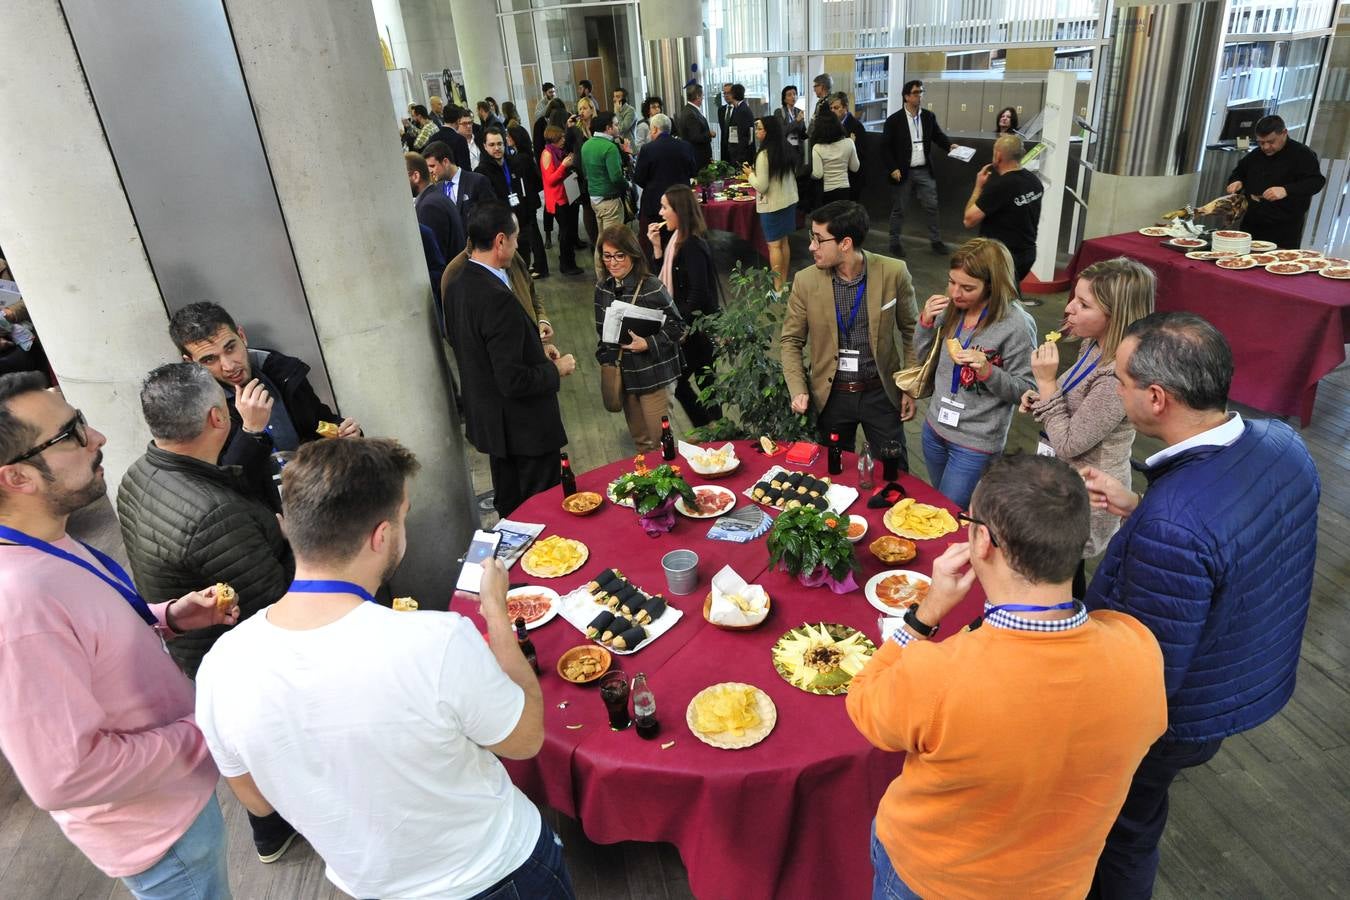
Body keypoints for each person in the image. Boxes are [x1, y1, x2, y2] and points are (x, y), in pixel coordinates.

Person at [194, 438, 575, 899]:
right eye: (403, 514)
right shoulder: (437, 640)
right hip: (497, 873)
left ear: (286, 527)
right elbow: (525, 739)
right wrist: (497, 614)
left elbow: (256, 800)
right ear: (382, 536)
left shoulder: (219, 665)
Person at [847, 454, 1167, 900]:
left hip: (931, 879)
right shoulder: (1141, 651)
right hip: (1058, 884)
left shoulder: (938, 673)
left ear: (981, 541)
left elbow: (863, 703)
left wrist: (924, 616)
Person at [1081, 311, 1320, 899]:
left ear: (1157, 397)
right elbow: (1235, 542)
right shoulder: (1282, 443)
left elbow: (1147, 673)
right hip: (1248, 674)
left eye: (1120, 382)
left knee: (1123, 830)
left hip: (1179, 713)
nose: (1116, 391)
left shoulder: (1176, 523)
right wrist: (1142, 509)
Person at [0, 373, 236, 898]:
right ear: (18, 478)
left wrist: (167, 616)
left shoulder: (43, 543)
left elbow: (84, 634)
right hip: (161, 835)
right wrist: (207, 731)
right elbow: (66, 776)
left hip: (170, 798)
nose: (98, 438)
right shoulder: (18, 605)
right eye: (72, 433)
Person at [118, 363, 295, 678]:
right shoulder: (215, 514)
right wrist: (296, 542)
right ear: (218, 416)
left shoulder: (138, 473)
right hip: (241, 666)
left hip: (192, 652)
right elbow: (277, 608)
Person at [1018, 257, 1155, 597]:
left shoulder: (1115, 377)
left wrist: (1048, 384)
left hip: (1088, 493)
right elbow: (1071, 402)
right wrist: (1042, 396)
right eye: (1073, 298)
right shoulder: (1093, 344)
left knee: (1064, 577)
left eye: (1083, 304)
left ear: (1116, 314)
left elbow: (1067, 443)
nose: (1068, 309)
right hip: (1063, 480)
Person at [444, 203, 574, 517]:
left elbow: (482, 352)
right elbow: (512, 379)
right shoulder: (495, 297)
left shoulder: (458, 284)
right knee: (541, 515)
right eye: (515, 239)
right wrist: (554, 370)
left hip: (495, 427)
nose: (518, 245)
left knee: (511, 509)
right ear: (500, 241)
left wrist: (534, 350)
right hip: (524, 430)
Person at [170, 302, 361, 509]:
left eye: (230, 348)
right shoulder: (196, 411)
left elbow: (318, 422)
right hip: (267, 520)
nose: (229, 365)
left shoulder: (283, 372)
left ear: (242, 336)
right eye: (209, 359)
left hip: (320, 495)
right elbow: (221, 487)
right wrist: (250, 431)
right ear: (191, 363)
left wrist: (345, 432)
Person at [781, 200, 918, 467]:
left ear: (845, 243)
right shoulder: (805, 281)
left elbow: (912, 332)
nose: (811, 246)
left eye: (819, 240)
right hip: (831, 396)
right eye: (812, 237)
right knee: (834, 473)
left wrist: (910, 388)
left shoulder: (893, 272)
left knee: (894, 472)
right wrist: (797, 389)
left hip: (880, 393)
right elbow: (790, 340)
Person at [912, 237, 1035, 508]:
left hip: (975, 444)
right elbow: (924, 358)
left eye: (967, 287)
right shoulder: (951, 309)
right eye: (951, 282)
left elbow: (1027, 389)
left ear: (992, 285)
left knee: (949, 514)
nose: (955, 293)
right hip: (934, 429)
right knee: (939, 507)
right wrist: (925, 323)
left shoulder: (1016, 325)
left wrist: (989, 372)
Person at [593, 226, 685, 452]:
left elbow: (679, 326)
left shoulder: (651, 286)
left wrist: (648, 343)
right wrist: (606, 356)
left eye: (619, 256)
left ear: (632, 254)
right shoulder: (602, 288)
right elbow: (601, 333)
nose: (612, 263)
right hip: (626, 378)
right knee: (641, 443)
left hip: (654, 376)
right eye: (607, 256)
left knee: (661, 442)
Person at [648, 184, 722, 427]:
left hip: (696, 329)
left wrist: (681, 327)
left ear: (679, 210)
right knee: (703, 383)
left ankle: (712, 430)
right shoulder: (676, 241)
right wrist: (657, 247)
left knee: (692, 382)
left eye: (665, 207)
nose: (661, 213)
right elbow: (664, 283)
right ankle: (714, 430)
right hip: (691, 327)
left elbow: (699, 292)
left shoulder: (691, 245)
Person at [883, 80, 965, 257]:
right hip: (903, 172)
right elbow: (885, 148)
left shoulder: (928, 116)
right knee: (899, 208)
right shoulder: (894, 120)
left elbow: (937, 135)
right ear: (906, 96)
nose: (919, 95)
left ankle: (936, 241)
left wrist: (949, 146)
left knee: (932, 206)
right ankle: (894, 242)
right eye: (915, 92)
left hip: (924, 170)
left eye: (921, 92)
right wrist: (893, 168)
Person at [1225, 114, 1327, 248]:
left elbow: (1316, 181)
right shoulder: (1256, 155)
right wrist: (1236, 181)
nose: (1266, 147)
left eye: (1271, 142)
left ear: (1284, 133)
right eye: (1261, 142)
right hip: (1252, 221)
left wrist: (1286, 190)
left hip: (1284, 227)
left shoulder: (1302, 154)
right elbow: (1239, 172)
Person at [963, 133, 1043, 284]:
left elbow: (969, 220)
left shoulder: (1000, 186)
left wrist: (978, 186)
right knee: (1010, 295)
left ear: (998, 156)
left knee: (994, 300)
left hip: (1001, 259)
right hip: (1027, 255)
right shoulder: (1034, 181)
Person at [477, 126, 548, 279]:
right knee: (509, 272)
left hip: (523, 221)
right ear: (484, 146)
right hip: (502, 228)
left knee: (523, 266)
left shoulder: (516, 162)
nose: (497, 148)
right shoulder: (482, 172)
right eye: (492, 145)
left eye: (500, 144)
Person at [742, 115, 799, 291]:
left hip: (772, 205)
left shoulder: (763, 155)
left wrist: (749, 174)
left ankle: (778, 288)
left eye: (759, 128)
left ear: (768, 131)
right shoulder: (787, 148)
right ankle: (784, 283)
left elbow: (762, 186)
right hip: (789, 201)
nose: (757, 131)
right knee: (784, 243)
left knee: (774, 246)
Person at [633, 113, 698, 265]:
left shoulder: (648, 149)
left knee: (656, 243)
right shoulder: (685, 146)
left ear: (655, 129)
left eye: (650, 130)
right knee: (681, 242)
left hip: (655, 204)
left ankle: (659, 270)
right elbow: (693, 172)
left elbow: (639, 178)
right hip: (681, 203)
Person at [406, 152, 465, 298]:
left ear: (415, 176)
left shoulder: (429, 206)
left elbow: (437, 259)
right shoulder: (437, 197)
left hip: (450, 291)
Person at [581, 112, 632, 274]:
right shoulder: (609, 148)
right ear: (608, 128)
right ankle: (614, 279)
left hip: (594, 199)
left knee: (601, 240)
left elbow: (585, 172)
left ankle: (601, 276)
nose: (618, 127)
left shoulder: (587, 145)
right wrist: (628, 185)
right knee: (614, 243)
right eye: (616, 124)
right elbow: (616, 177)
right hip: (610, 200)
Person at [539, 124, 585, 276]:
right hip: (558, 200)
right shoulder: (547, 154)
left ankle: (569, 262)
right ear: (553, 139)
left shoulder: (559, 151)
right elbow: (550, 180)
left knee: (570, 231)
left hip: (567, 195)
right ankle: (566, 265)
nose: (564, 140)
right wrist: (564, 166)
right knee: (565, 234)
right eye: (561, 138)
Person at [423, 139, 493, 230]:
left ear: (445, 162)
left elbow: (491, 217)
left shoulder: (478, 181)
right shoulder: (437, 189)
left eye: (432, 166)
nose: (430, 171)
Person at [810, 110, 860, 207]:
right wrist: (852, 144)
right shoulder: (849, 143)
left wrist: (811, 175)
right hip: (845, 189)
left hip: (827, 191)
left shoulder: (817, 148)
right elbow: (855, 168)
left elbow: (818, 174)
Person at [830, 92, 867, 200]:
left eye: (836, 108)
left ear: (845, 107)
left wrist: (849, 146)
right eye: (831, 108)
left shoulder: (856, 126)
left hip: (851, 178)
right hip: (835, 176)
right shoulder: (831, 125)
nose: (832, 111)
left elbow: (861, 153)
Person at [676, 83, 714, 169]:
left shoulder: (689, 110)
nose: (703, 98)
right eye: (702, 95)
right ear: (697, 96)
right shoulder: (691, 113)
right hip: (698, 158)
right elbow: (695, 137)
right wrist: (709, 134)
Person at [776, 84, 808, 170]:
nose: (793, 96)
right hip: (785, 149)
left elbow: (803, 132)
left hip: (798, 149)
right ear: (784, 99)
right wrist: (796, 121)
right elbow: (782, 131)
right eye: (789, 95)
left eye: (794, 94)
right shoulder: (779, 112)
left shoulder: (799, 111)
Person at [724, 84, 755, 167]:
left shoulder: (742, 110)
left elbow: (744, 136)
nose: (727, 95)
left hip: (741, 155)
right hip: (736, 152)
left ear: (733, 94)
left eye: (729, 93)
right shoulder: (738, 108)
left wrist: (738, 156)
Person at [453, 106, 482, 171]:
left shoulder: (479, 138)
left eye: (470, 123)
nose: (468, 126)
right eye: (464, 123)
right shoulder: (456, 144)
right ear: (457, 124)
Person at [717, 82, 736, 163]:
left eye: (729, 93)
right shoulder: (721, 110)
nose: (726, 95)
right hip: (724, 149)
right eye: (724, 93)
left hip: (736, 150)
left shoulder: (739, 109)